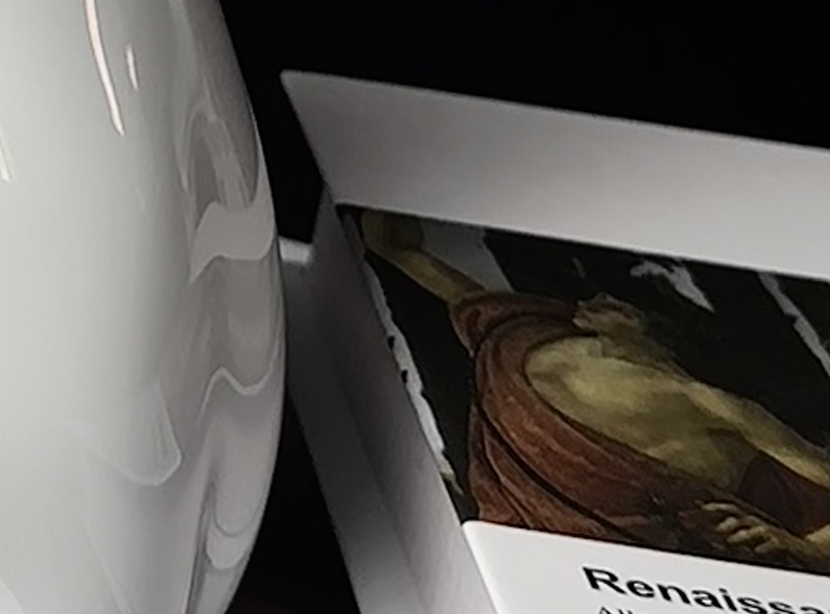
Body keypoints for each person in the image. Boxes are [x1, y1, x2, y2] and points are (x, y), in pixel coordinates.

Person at [356, 212, 830, 573]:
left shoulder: (699, 398)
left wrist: (802, 547)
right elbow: (421, 265)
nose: (601, 300)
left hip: (773, 534)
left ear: (645, 330)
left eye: (620, 306)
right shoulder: (534, 338)